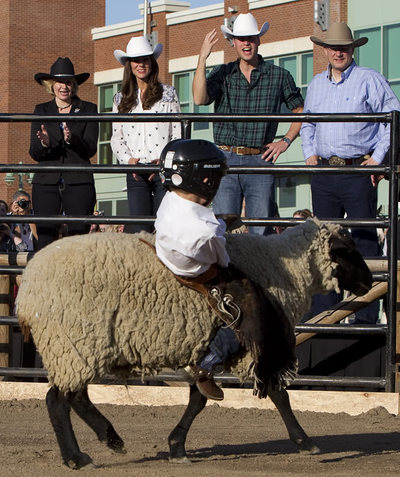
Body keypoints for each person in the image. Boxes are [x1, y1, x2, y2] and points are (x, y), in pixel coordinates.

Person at [300, 22, 400, 324]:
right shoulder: (316, 84)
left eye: (344, 47)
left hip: (359, 170)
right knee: (325, 242)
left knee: (365, 240)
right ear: (326, 50)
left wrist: (378, 158)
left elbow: (392, 118)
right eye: (333, 47)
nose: (338, 52)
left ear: (352, 49)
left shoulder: (371, 80)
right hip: (325, 172)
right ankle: (325, 316)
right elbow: (308, 124)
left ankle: (366, 315)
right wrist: (310, 155)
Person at [155, 138, 268, 401]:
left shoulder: (169, 201)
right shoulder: (205, 232)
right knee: (253, 312)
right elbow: (222, 260)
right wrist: (219, 229)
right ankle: (206, 362)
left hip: (169, 245)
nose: (213, 182)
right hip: (199, 272)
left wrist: (218, 223)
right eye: (211, 177)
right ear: (202, 180)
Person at [192, 13, 304, 235]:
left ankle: (257, 270)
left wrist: (285, 141)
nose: (246, 43)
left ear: (259, 40)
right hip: (225, 158)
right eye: (241, 38)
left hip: (260, 159)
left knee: (260, 231)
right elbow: (199, 98)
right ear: (233, 42)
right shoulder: (222, 73)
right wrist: (202, 58)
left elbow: (300, 110)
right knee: (223, 231)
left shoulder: (278, 75)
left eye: (251, 38)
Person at [111, 36, 181, 234]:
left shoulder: (168, 93)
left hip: (162, 168)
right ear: (129, 65)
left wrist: (165, 160)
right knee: (140, 228)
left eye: (145, 59)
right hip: (135, 170)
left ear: (152, 62)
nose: (141, 64)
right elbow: (117, 138)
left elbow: (177, 133)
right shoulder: (120, 98)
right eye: (136, 60)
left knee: (164, 226)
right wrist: (128, 160)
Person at [29, 57, 98, 250]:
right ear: (52, 85)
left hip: (78, 180)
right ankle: (44, 279)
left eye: (69, 82)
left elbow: (91, 148)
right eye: (60, 82)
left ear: (74, 84)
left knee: (78, 238)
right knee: (44, 238)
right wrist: (45, 143)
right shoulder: (41, 110)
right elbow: (34, 152)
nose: (64, 86)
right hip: (46, 181)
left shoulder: (88, 109)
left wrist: (71, 139)